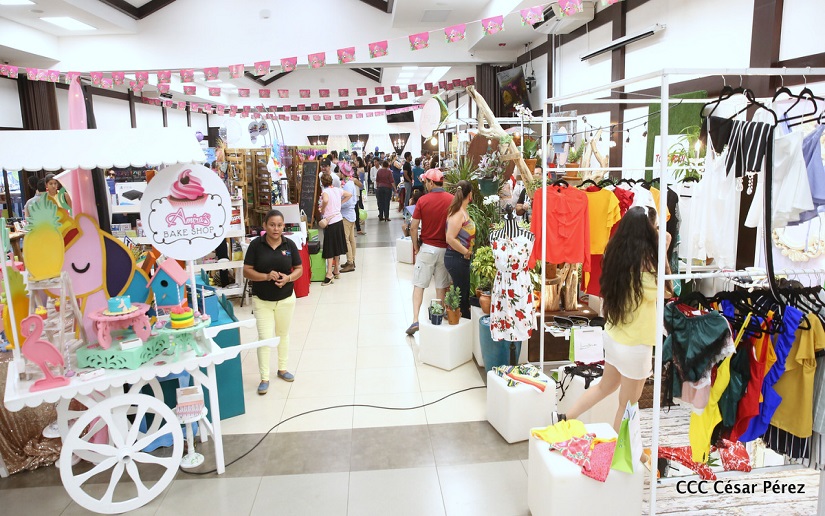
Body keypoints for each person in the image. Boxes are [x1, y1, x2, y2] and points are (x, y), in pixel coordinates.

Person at [552, 206, 661, 432]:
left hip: (613, 336)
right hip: (635, 344)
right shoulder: (648, 266)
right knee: (627, 405)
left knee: (605, 387)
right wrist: (662, 250)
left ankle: (563, 418)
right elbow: (666, 290)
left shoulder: (615, 255)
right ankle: (618, 451)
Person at [243, 209, 304, 392]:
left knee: (283, 334)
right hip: (262, 301)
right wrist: (266, 276)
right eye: (272, 225)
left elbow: (299, 269)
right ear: (265, 226)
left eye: (279, 225)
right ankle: (264, 378)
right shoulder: (256, 245)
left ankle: (282, 369)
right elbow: (246, 271)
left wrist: (288, 278)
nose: (276, 229)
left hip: (286, 299)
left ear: (283, 226)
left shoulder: (289, 244)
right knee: (265, 338)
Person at [406, 168, 453, 335]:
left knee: (419, 284)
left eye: (426, 181)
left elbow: (413, 227)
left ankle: (415, 319)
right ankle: (437, 318)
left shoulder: (423, 201)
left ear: (432, 182)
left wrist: (416, 246)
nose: (425, 184)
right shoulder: (451, 199)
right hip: (445, 249)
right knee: (441, 286)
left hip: (427, 248)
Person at [444, 180, 475, 319]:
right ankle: (461, 322)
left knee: (463, 293)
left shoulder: (461, 211)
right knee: (461, 296)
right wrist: (466, 252)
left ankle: (462, 321)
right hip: (456, 257)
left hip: (460, 258)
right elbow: (450, 238)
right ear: (470, 194)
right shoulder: (458, 214)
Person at [319, 172, 351, 285]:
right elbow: (349, 194)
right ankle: (336, 269)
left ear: (322, 183)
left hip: (330, 222)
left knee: (329, 248)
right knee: (337, 246)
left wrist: (323, 209)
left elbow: (325, 200)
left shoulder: (325, 192)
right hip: (339, 220)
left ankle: (329, 273)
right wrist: (340, 203)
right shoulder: (337, 190)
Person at [339, 162, 359, 273]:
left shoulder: (346, 185)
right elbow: (354, 200)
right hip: (351, 214)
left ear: (343, 173)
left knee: (346, 239)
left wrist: (339, 204)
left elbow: (348, 201)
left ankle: (350, 262)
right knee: (351, 239)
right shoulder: (351, 183)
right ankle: (352, 260)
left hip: (346, 215)